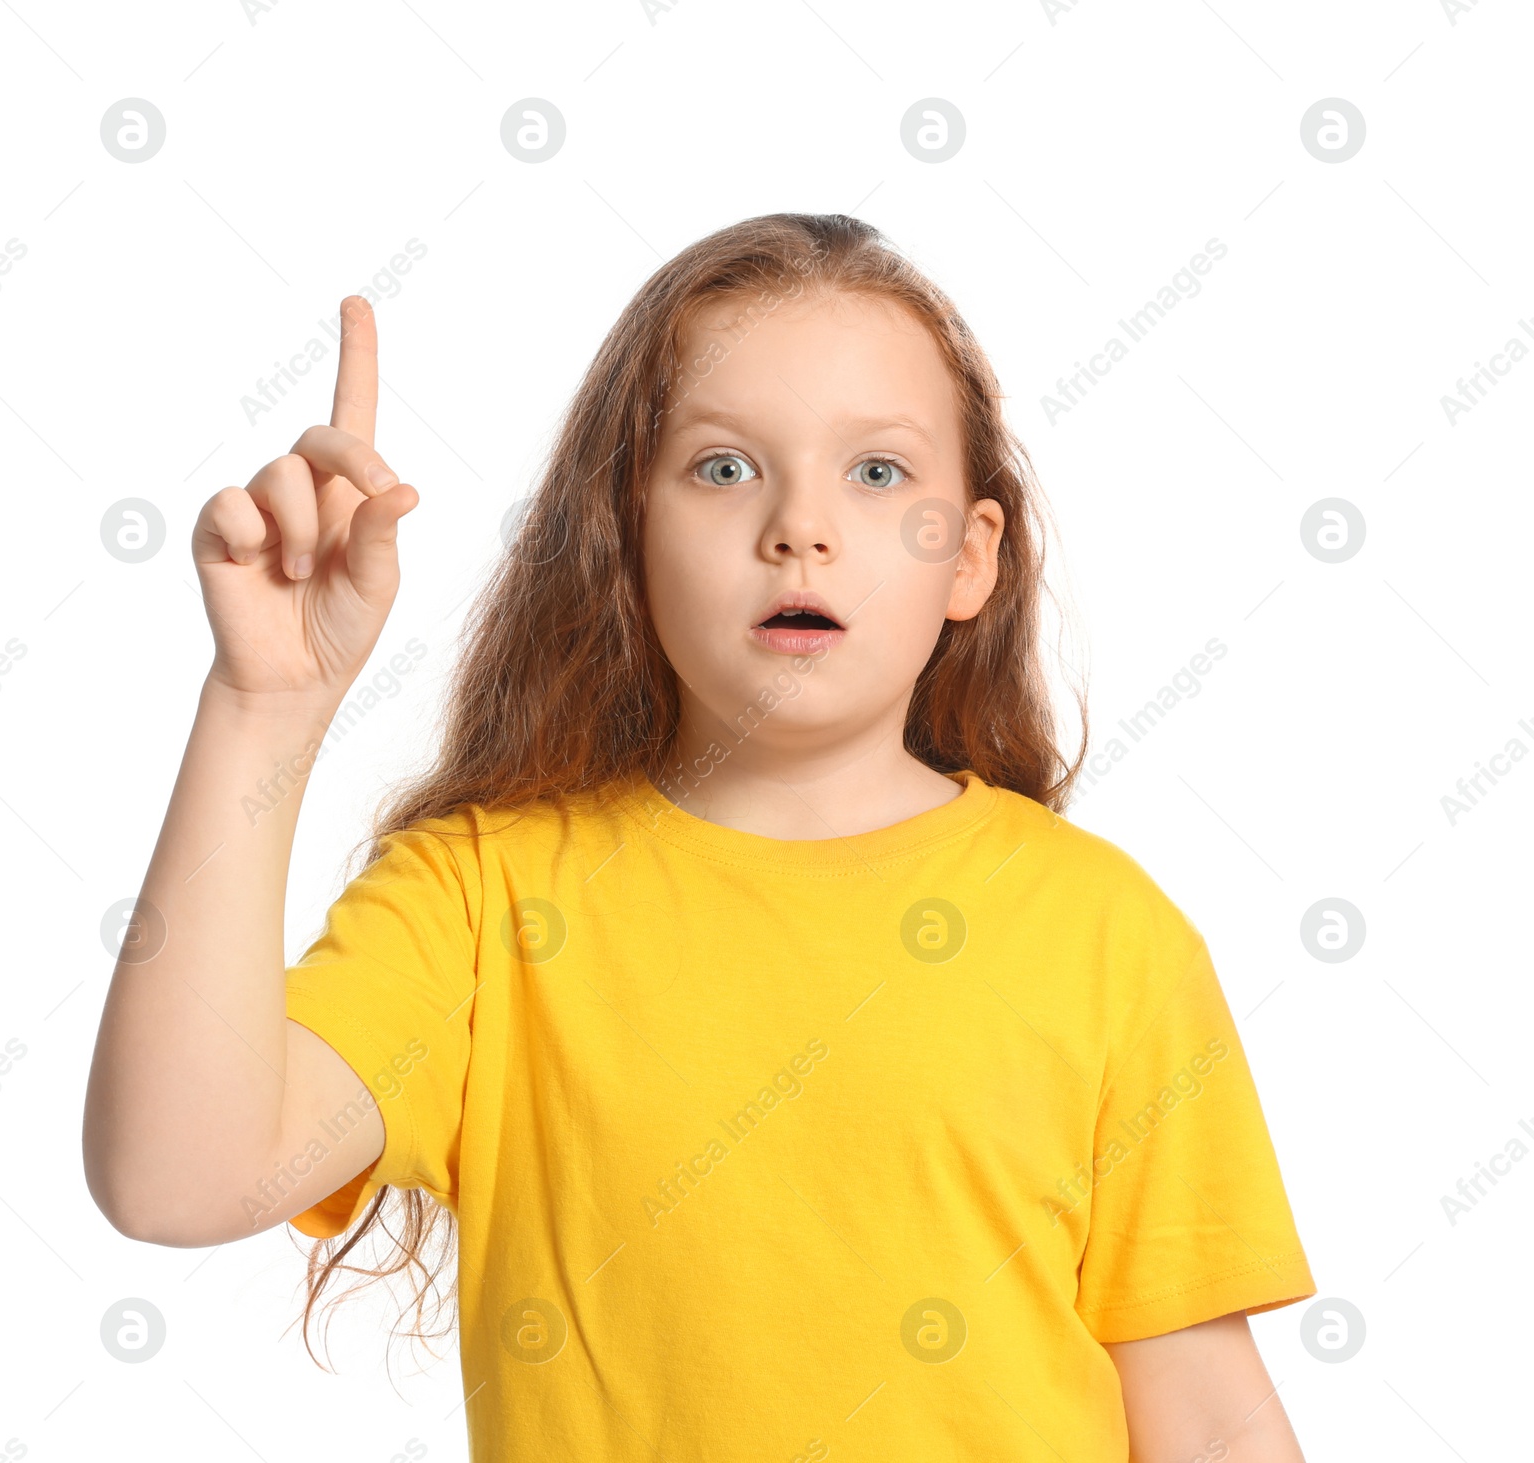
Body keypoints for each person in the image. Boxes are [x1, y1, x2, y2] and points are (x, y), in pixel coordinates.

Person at [83, 212, 1315, 1461]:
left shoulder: (1103, 932)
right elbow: (180, 1174)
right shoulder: (485, 898)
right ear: (627, 531)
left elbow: (1208, 1421)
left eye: (877, 472)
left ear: (970, 556)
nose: (799, 526)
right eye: (724, 468)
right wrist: (262, 708)